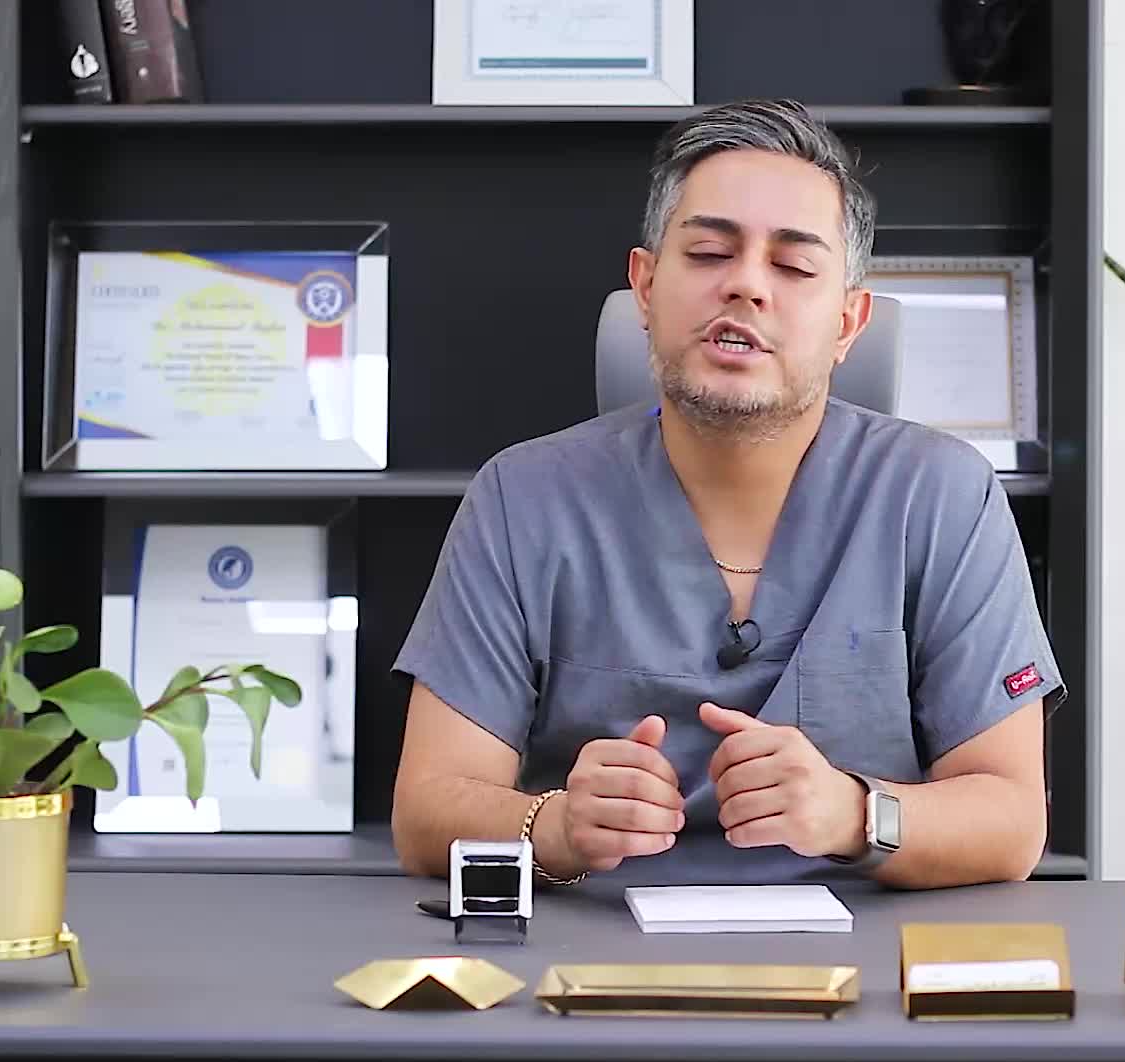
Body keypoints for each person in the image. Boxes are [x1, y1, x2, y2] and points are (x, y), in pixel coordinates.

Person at [390, 98, 1065, 890]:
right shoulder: (524, 499)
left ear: (849, 323)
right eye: (710, 252)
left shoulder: (941, 496)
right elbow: (426, 812)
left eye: (794, 267)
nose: (746, 285)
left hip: (863, 951)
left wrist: (853, 812)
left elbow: (1012, 822)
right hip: (590, 950)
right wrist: (558, 826)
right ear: (645, 288)